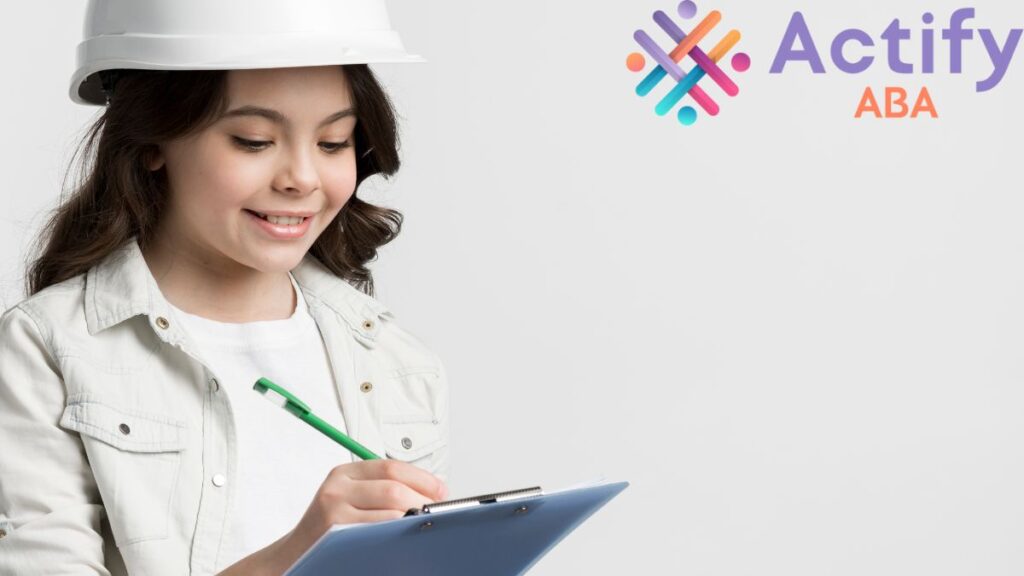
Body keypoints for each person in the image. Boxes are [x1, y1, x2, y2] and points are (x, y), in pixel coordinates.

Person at [0, 1, 450, 574]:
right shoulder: (45, 352)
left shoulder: (396, 366)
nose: (303, 179)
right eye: (255, 141)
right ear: (152, 141)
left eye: (333, 143)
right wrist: (300, 550)